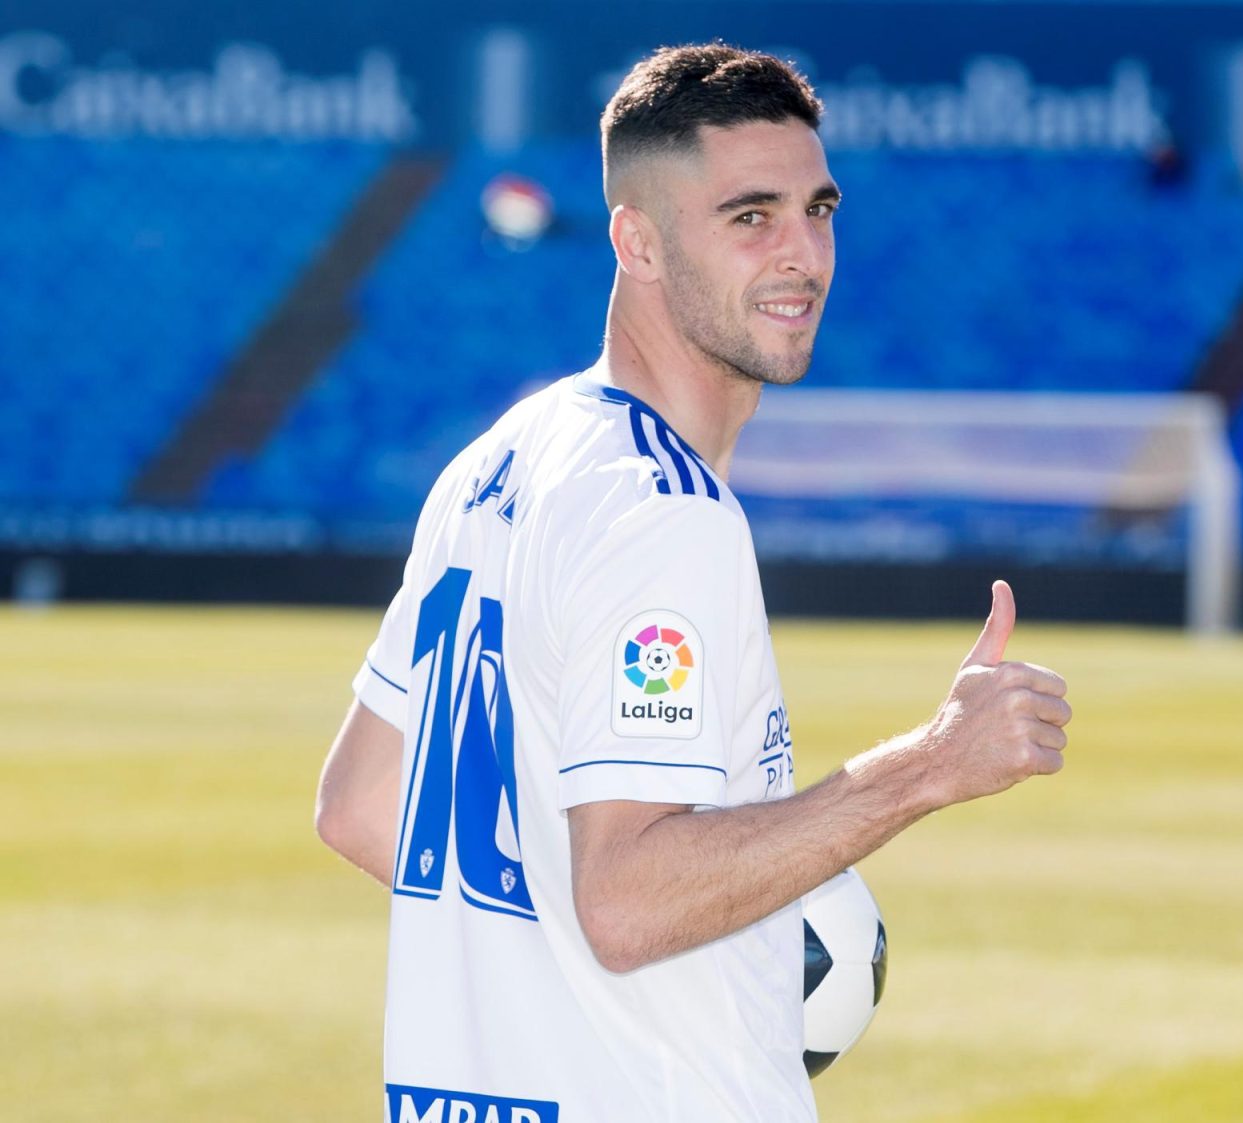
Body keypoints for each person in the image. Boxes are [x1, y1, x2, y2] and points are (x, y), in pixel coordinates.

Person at [315, 43, 1072, 1123]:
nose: (804, 254)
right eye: (750, 217)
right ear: (637, 241)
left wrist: (567, 967)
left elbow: (359, 806)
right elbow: (625, 901)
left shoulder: (499, 459)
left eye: (819, 209)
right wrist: (930, 765)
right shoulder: (663, 511)